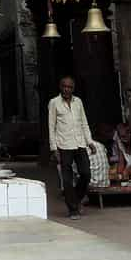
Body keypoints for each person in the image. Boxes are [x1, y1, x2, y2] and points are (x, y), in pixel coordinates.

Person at [48, 75, 92, 220]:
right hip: (64, 145)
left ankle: (76, 199)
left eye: (70, 87)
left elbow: (84, 122)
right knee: (66, 180)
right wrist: (54, 148)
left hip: (79, 143)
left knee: (86, 173)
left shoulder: (78, 102)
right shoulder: (54, 103)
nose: (67, 89)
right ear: (60, 87)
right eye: (64, 86)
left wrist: (90, 141)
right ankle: (72, 209)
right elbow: (51, 126)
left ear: (73, 88)